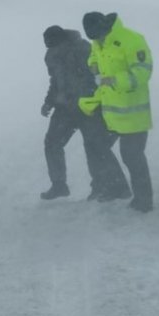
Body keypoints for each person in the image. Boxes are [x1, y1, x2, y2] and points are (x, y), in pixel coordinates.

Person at [39, 25, 131, 201]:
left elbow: (95, 78)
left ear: (63, 41)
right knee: (52, 144)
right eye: (49, 47)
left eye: (54, 46)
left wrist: (92, 101)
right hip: (64, 109)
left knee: (96, 146)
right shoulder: (51, 55)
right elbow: (55, 82)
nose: (52, 50)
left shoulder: (83, 49)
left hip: (88, 107)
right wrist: (48, 103)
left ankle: (113, 187)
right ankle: (59, 185)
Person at [78, 12, 154, 212]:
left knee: (132, 156)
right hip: (109, 111)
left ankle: (144, 201)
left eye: (99, 36)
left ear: (106, 28)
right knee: (95, 145)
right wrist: (92, 64)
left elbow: (143, 71)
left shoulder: (132, 40)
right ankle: (116, 188)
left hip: (132, 113)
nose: (97, 41)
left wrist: (115, 80)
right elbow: (95, 54)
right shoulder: (98, 41)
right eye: (93, 38)